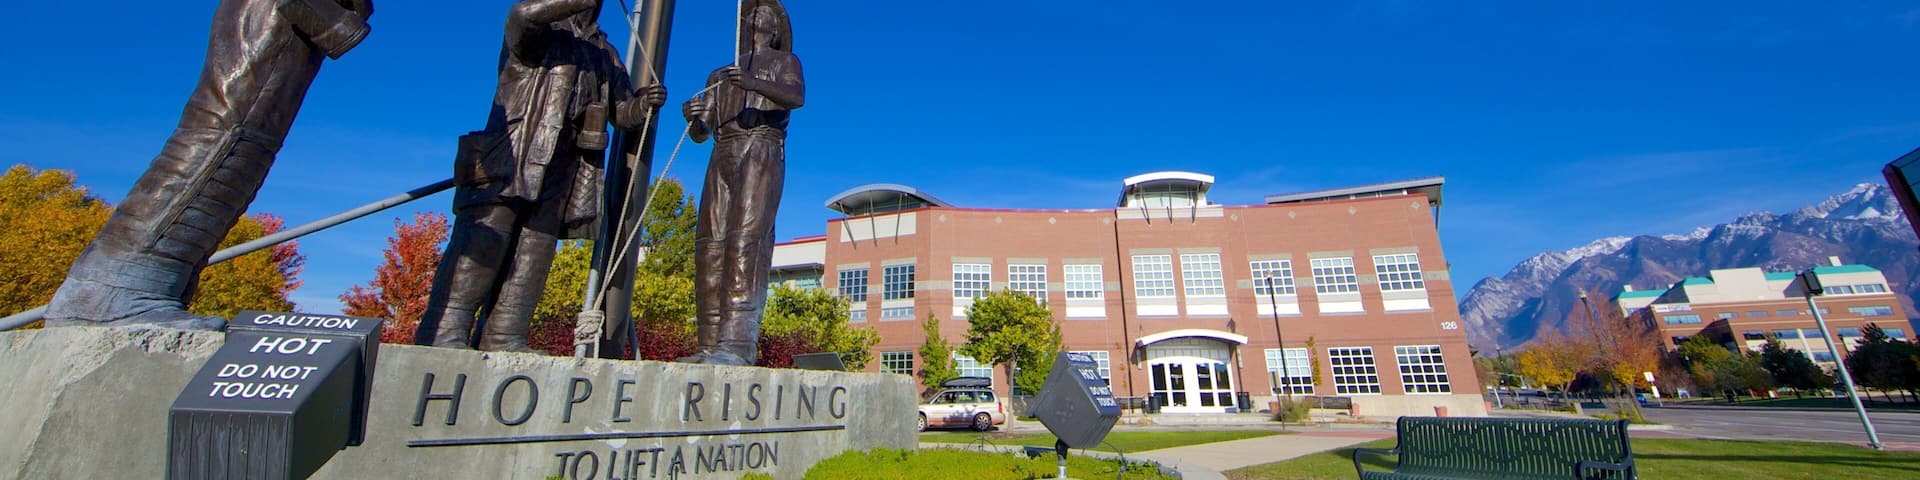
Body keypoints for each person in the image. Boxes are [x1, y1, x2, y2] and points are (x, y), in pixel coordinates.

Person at [44, 0, 374, 330]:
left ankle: (128, 287)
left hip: (266, 73)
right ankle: (117, 290)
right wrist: (347, 23)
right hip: (255, 77)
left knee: (233, 147)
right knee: (220, 144)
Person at [415, 0, 665, 352]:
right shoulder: (543, 30)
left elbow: (621, 112)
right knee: (484, 242)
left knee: (535, 253)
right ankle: (442, 335)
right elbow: (521, 17)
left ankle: (505, 336)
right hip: (513, 153)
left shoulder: (604, 52)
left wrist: (643, 104)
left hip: (565, 165)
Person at [678, 0, 804, 365]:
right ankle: (708, 344)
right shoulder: (720, 75)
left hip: (762, 146)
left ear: (777, 29)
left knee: (746, 242)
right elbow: (702, 134)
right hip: (723, 152)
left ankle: (736, 345)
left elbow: (796, 98)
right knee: (710, 245)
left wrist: (752, 83)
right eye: (751, 12)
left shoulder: (785, 62)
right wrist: (695, 120)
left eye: (767, 13)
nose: (757, 14)